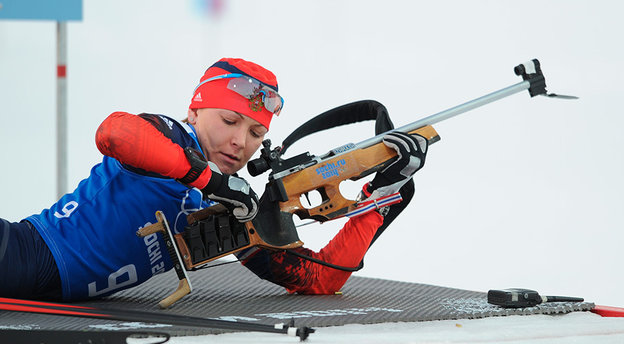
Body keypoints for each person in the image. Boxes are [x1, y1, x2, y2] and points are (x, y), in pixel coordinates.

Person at [0, 57, 427, 301]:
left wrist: (381, 195)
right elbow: (114, 133)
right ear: (194, 112)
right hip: (24, 254)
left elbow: (319, 278)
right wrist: (210, 180)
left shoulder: (233, 205)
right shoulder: (169, 136)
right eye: (228, 120)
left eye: (256, 133)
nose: (240, 142)